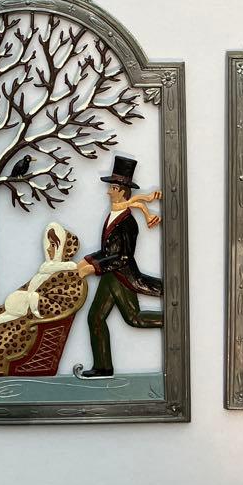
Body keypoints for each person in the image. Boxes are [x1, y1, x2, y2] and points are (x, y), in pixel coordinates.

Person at [75, 156, 163, 378]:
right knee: (97, 318)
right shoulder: (114, 214)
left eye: (113, 188)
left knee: (133, 318)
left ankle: (174, 319)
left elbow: (123, 256)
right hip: (111, 274)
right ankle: (103, 367)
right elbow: (108, 251)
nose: (108, 192)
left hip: (120, 275)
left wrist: (93, 268)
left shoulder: (127, 222)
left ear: (122, 191)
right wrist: (87, 261)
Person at [0, 221, 81, 373]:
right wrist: (18, 297)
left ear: (63, 248)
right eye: (48, 244)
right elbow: (26, 290)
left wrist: (32, 299)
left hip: (36, 323)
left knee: (6, 330)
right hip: (25, 313)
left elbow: (60, 307)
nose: (49, 249)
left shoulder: (70, 276)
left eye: (53, 245)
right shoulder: (45, 272)